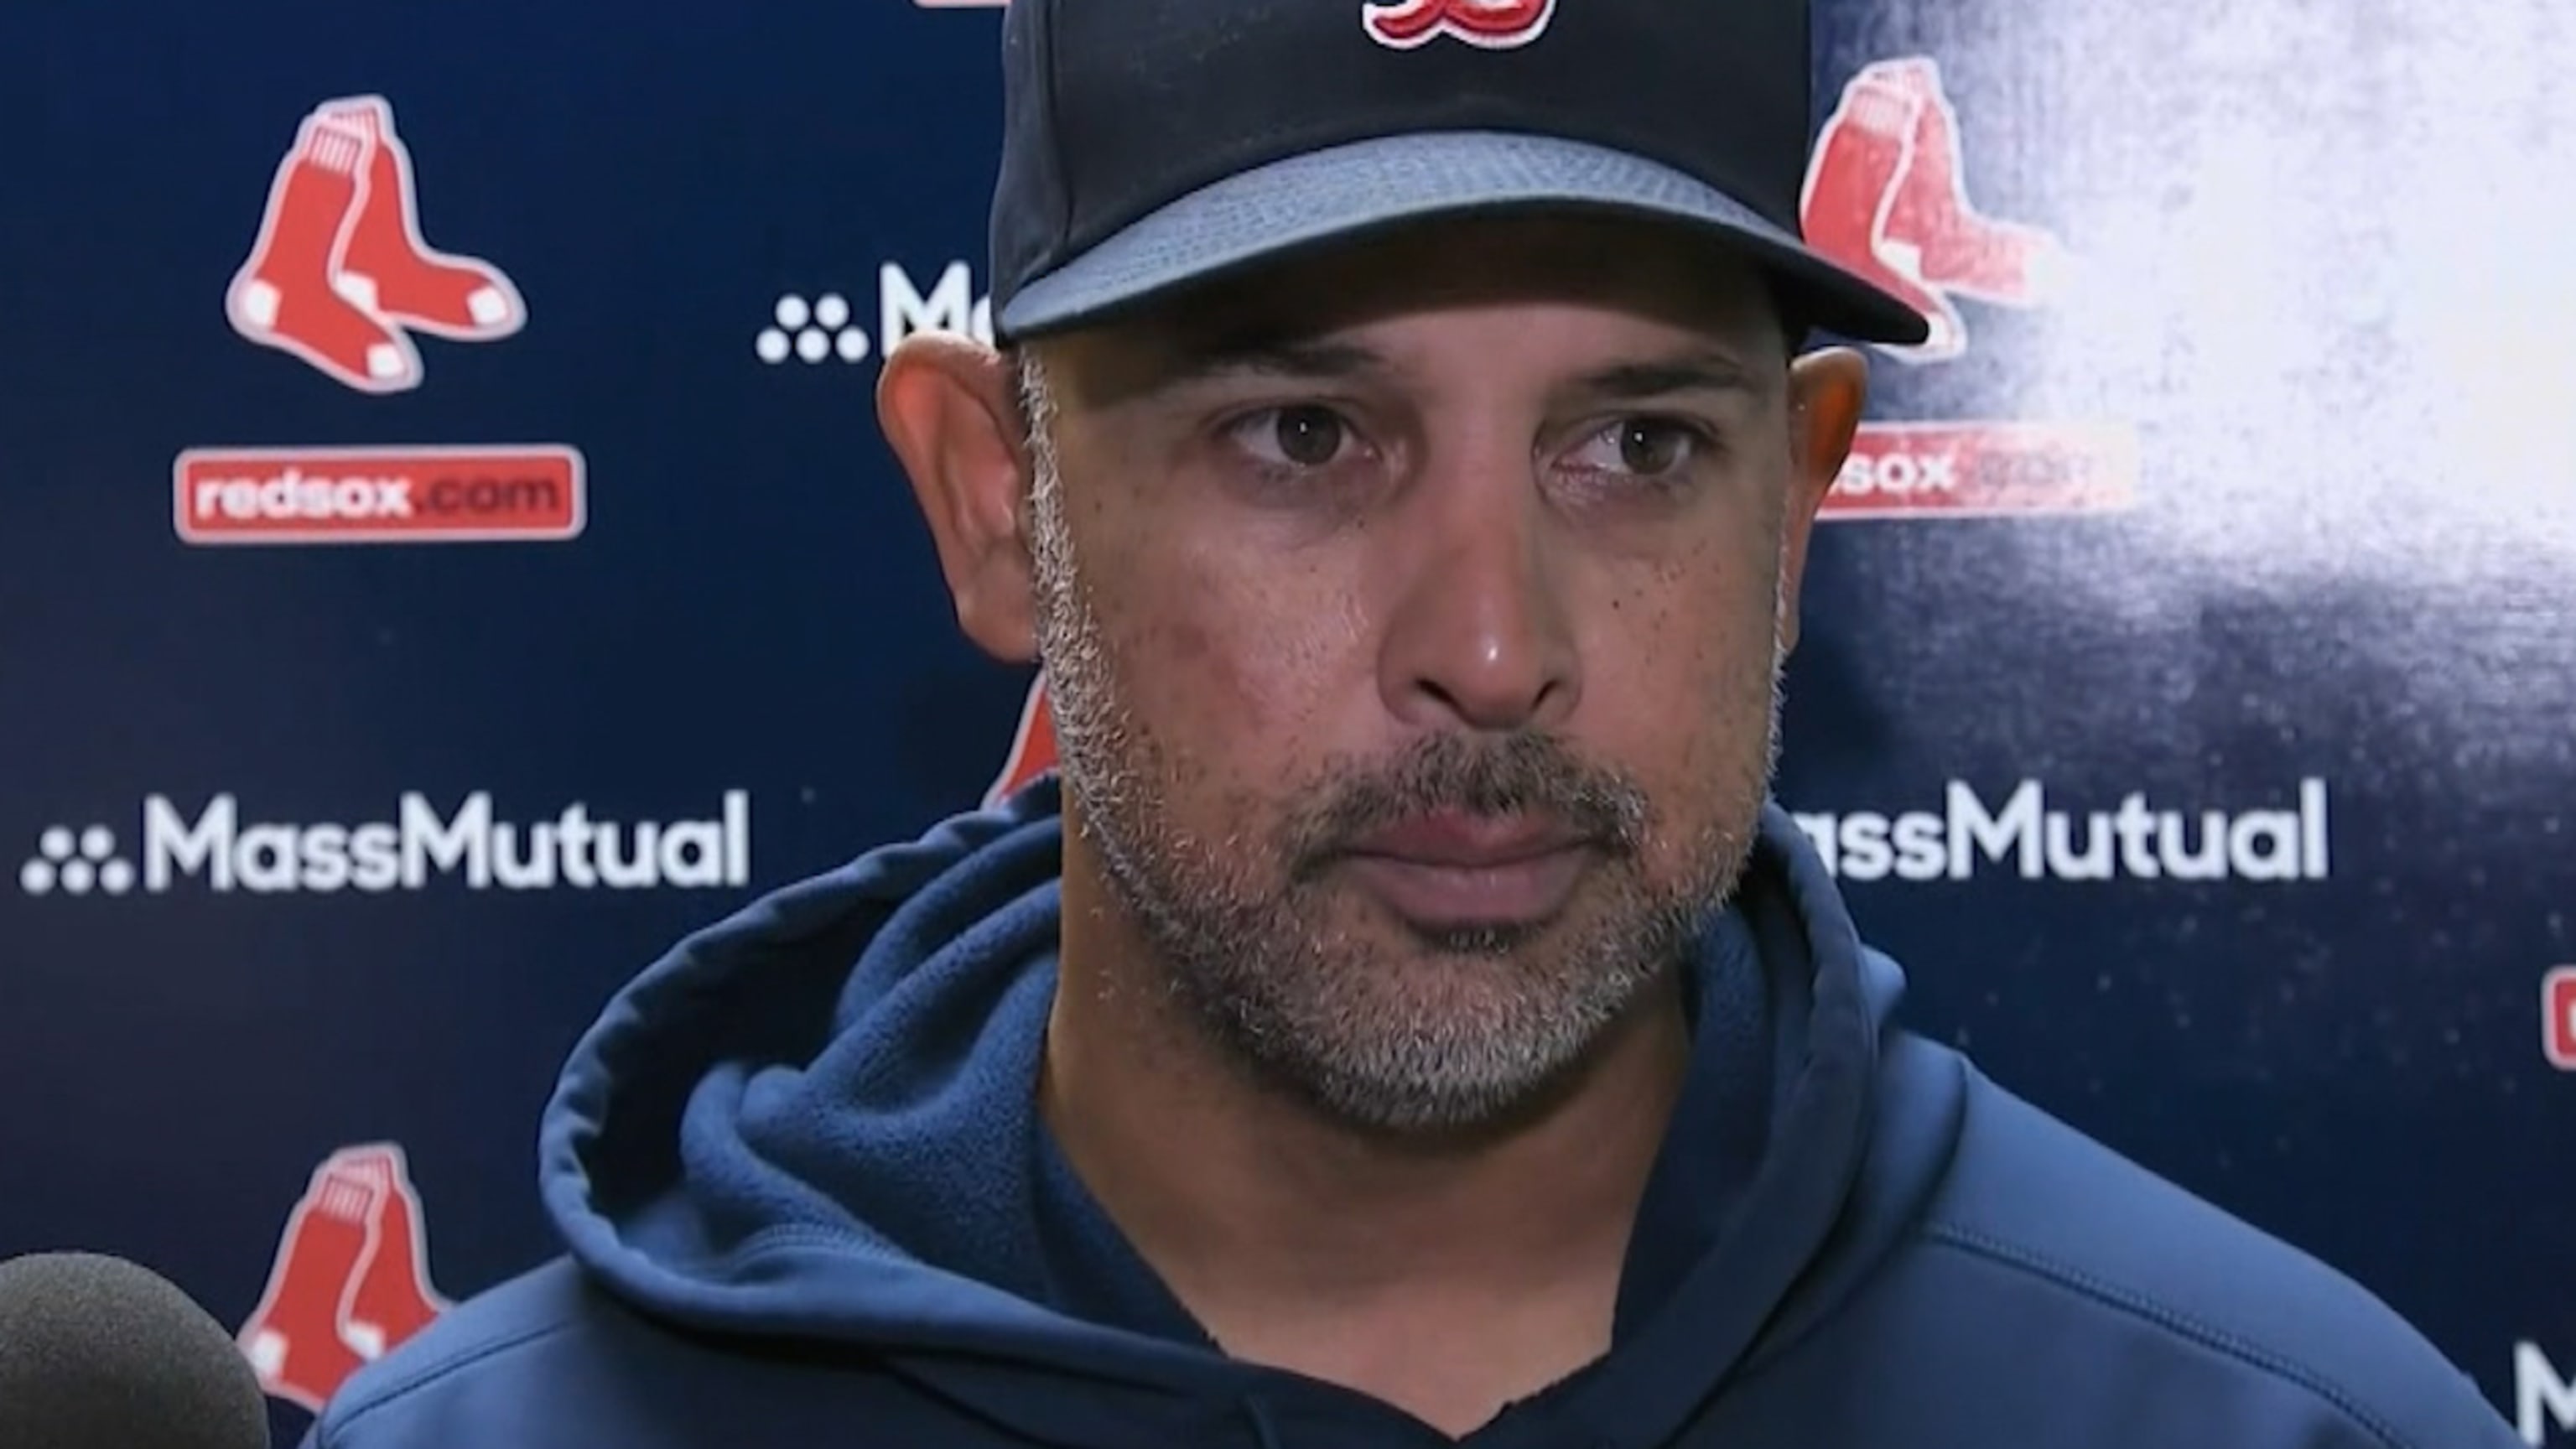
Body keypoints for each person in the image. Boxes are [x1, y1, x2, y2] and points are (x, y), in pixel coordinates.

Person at [305, 1, 2521, 1445]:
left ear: (1800, 508)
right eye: (1301, 437)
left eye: (1635, 451)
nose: (1491, 645)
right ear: (1001, 505)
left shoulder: (2277, 1427)